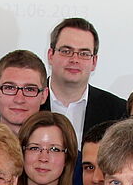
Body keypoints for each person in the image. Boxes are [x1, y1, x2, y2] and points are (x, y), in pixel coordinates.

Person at [40, 17, 128, 147]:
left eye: (84, 53)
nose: (75, 59)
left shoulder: (117, 111)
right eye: (66, 51)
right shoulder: (28, 102)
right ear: (50, 55)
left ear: (94, 62)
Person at [0, 50, 50, 136]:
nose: (19, 100)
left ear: (44, 95)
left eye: (29, 89)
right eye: (10, 88)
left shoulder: (63, 147)